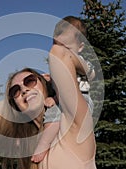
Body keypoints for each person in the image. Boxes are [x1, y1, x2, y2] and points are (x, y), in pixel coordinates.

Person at [0, 16, 97, 169]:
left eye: (30, 81)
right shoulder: (29, 142)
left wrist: (83, 68)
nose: (23, 88)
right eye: (15, 90)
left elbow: (59, 52)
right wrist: (20, 98)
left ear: (44, 84)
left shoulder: (74, 124)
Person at [31, 15, 95, 163]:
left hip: (82, 100)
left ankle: (44, 144)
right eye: (56, 44)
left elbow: (89, 74)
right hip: (63, 101)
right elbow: (61, 88)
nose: (59, 51)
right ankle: (53, 144)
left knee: (55, 115)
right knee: (54, 115)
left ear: (80, 47)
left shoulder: (82, 63)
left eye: (66, 48)